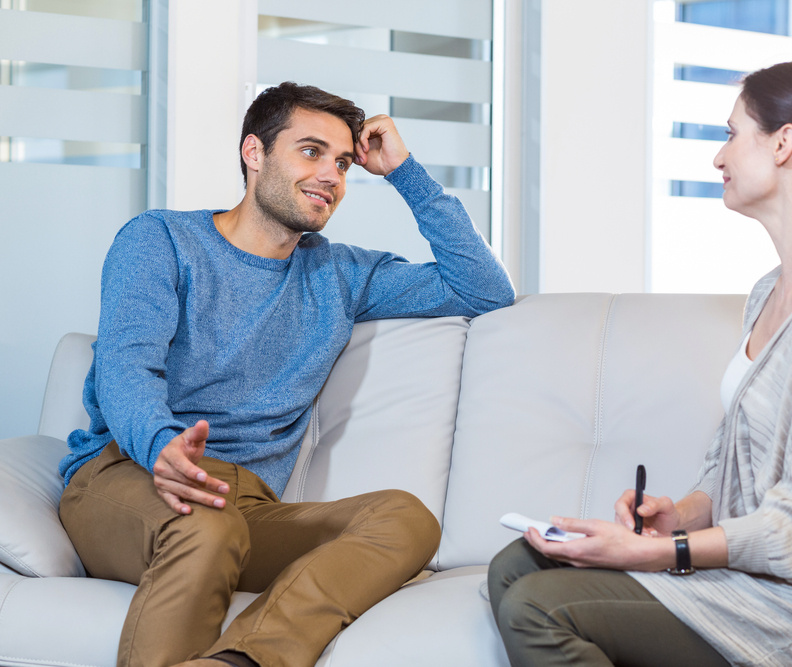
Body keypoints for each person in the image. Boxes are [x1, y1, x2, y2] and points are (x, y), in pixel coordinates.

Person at [58, 81, 515, 667]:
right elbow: (127, 362)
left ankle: (240, 661)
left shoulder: (341, 274)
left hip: (246, 507)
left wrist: (403, 171)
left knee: (405, 519)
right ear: (254, 153)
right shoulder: (161, 239)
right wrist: (160, 444)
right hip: (131, 475)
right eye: (310, 151)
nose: (332, 175)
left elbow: (483, 288)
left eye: (344, 162)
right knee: (206, 527)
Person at [488, 58, 792, 667]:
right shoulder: (771, 291)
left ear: (785, 142)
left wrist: (658, 552)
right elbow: (739, 463)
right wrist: (677, 516)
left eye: (733, 133)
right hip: (759, 571)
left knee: (536, 606)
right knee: (517, 563)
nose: (719, 157)